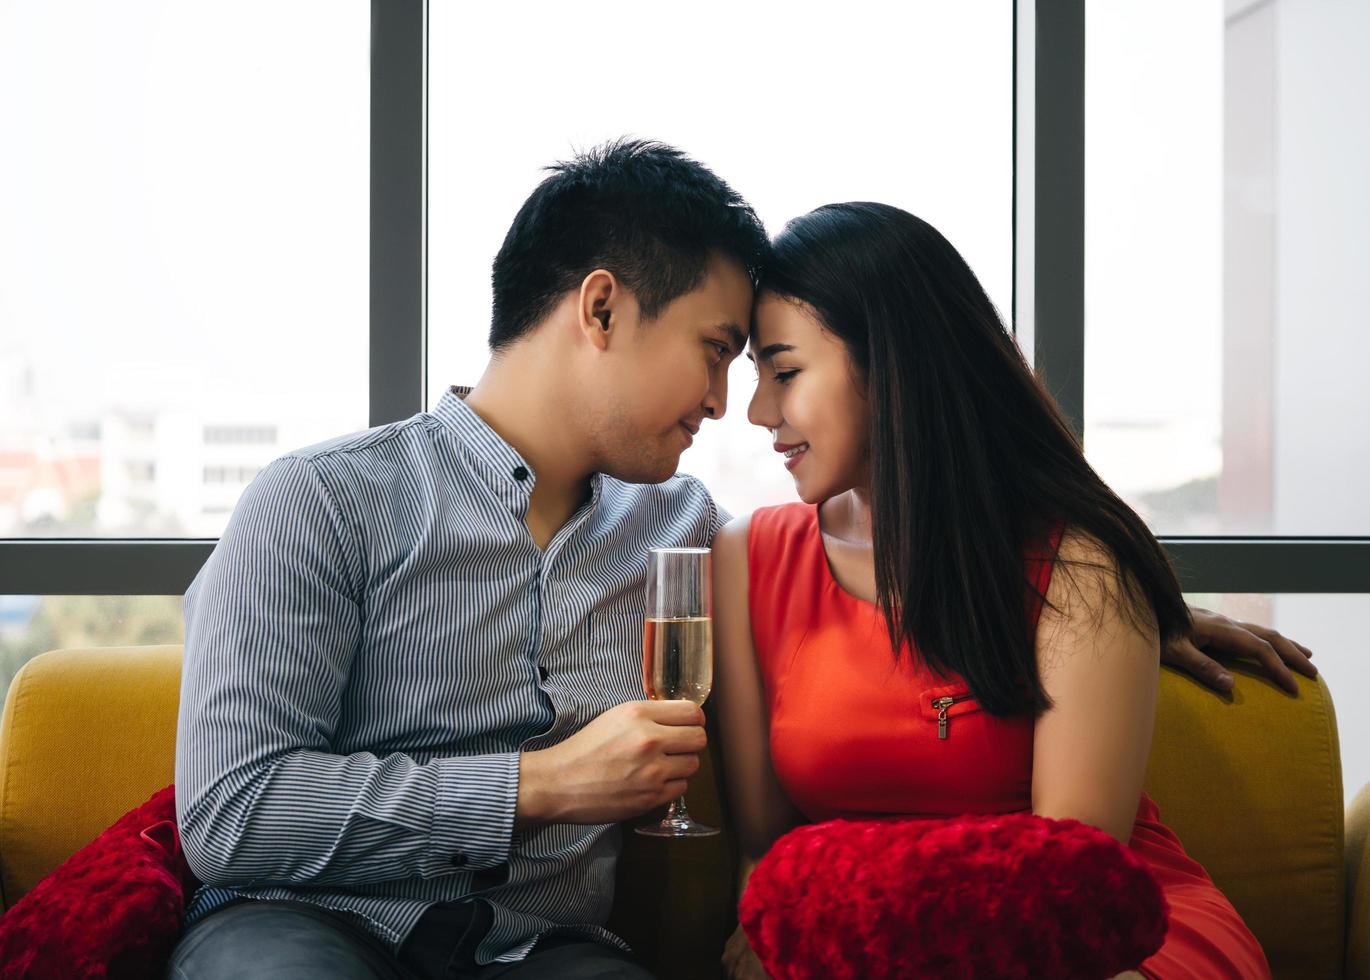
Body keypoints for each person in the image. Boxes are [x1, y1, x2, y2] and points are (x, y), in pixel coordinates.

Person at [169, 142, 1311, 979]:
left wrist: (1139, 613)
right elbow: (226, 810)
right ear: (602, 309)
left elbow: (955, 577)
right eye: (718, 354)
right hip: (309, 924)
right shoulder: (322, 504)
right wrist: (546, 784)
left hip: (548, 948)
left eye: (764, 366)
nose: (732, 406)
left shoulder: (677, 530)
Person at [715, 202, 1300, 980]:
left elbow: (1065, 890)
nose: (757, 411)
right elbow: (767, 851)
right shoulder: (746, 558)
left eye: (784, 371)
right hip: (869, 947)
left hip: (1102, 943)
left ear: (895, 365)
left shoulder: (1077, 568)